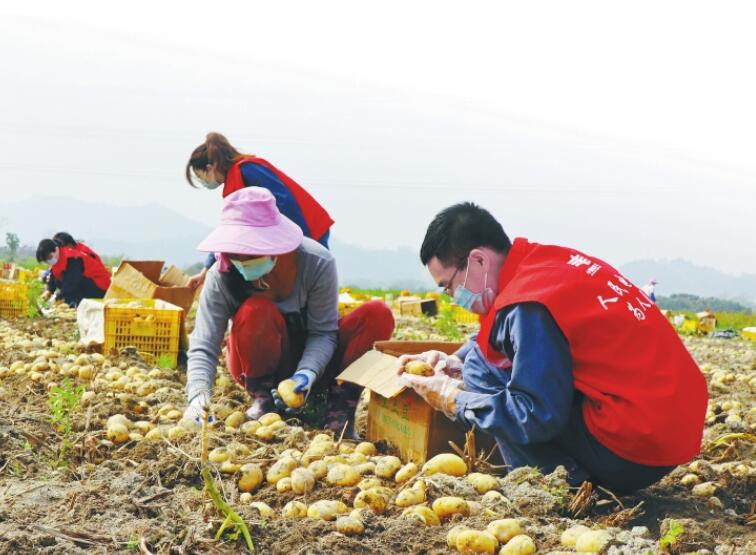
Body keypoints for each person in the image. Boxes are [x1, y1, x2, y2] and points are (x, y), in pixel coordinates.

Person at [397, 202, 707, 492]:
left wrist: (453, 398)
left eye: (449, 285)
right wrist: (454, 359)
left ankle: (550, 486)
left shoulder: (526, 305)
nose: (453, 296)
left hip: (632, 447)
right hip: (669, 430)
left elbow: (534, 415)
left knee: (481, 371)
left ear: (478, 259)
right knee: (478, 359)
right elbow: (499, 340)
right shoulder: (544, 265)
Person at [183, 187, 394, 434]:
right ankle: (264, 400)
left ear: (276, 246)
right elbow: (204, 344)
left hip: (316, 365)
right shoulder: (222, 274)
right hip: (258, 361)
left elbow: (323, 333)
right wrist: (198, 398)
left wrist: (306, 374)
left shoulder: (316, 262)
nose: (241, 258)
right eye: (237, 252)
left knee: (377, 314)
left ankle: (339, 409)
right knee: (255, 309)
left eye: (251, 251)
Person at [184, 132, 334, 289]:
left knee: (315, 280)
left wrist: (292, 240)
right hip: (293, 233)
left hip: (307, 226)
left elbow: (283, 202)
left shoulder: (248, 170)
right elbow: (231, 231)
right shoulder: (234, 181)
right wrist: (206, 268)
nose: (203, 182)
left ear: (210, 168)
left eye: (201, 177)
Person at [35, 237, 111, 307]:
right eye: (46, 260)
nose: (48, 261)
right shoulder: (57, 258)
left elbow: (72, 281)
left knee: (69, 288)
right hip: (85, 283)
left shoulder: (72, 258)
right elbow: (53, 276)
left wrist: (58, 297)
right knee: (60, 282)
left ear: (56, 249)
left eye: (49, 257)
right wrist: (49, 290)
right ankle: (72, 302)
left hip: (100, 285)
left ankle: (76, 303)